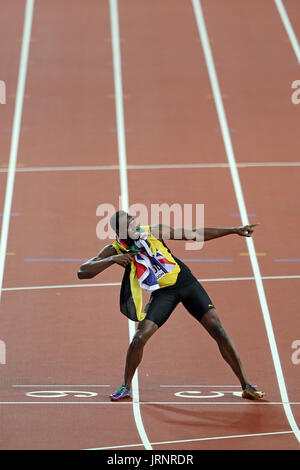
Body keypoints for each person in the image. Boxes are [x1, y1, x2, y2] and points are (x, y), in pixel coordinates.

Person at [77, 210, 264, 401]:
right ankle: (125, 386)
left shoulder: (154, 231)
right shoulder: (114, 250)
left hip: (186, 283)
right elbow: (82, 272)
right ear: (118, 231)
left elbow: (194, 234)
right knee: (139, 338)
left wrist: (233, 230)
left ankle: (246, 385)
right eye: (128, 226)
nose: (134, 227)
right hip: (162, 293)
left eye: (134, 222)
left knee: (218, 329)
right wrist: (112, 259)